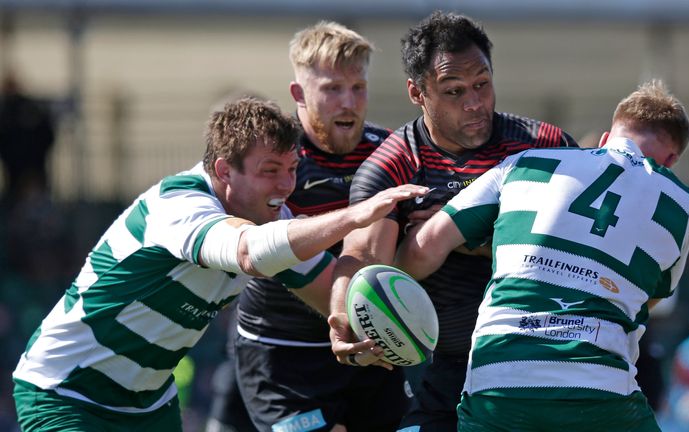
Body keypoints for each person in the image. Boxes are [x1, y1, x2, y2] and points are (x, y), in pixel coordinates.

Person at [11, 97, 427, 432]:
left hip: (147, 405)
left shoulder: (270, 221)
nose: (286, 186)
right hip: (66, 391)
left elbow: (325, 289)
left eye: (292, 169)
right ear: (224, 170)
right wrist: (354, 216)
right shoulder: (178, 205)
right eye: (270, 171)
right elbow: (249, 252)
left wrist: (355, 329)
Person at [394, 79, 689, 431]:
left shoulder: (525, 163)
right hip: (599, 388)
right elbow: (647, 301)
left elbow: (424, 248)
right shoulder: (680, 202)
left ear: (605, 139)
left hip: (499, 379)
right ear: (671, 160)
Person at [327, 11, 578, 432]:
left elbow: (580, 250)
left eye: (482, 84)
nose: (475, 103)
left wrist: (465, 235)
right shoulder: (392, 167)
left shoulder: (546, 148)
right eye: (454, 91)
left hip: (538, 357)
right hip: (441, 370)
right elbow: (363, 256)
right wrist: (340, 317)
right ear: (417, 92)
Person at [233, 22, 410, 432]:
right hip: (284, 352)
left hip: (371, 348)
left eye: (358, 88)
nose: (347, 102)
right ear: (298, 94)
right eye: (332, 89)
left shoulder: (391, 152)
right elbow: (275, 256)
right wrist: (358, 319)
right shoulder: (273, 162)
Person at [0, 73, 56, 207]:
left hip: (30, 169)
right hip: (17, 171)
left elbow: (47, 135)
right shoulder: (7, 112)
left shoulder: (29, 110)